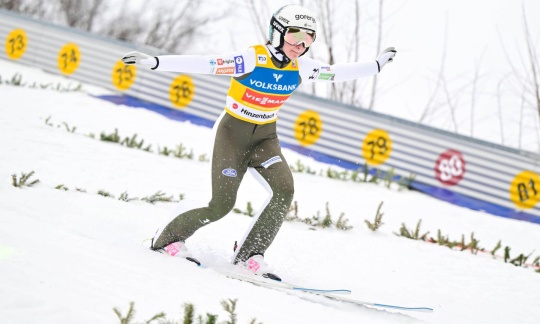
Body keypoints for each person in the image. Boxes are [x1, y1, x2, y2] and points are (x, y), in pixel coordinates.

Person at [122, 4, 396, 279]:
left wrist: (376, 66)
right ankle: (167, 239)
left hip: (265, 137)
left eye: (309, 38)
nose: (300, 44)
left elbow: (336, 73)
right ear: (277, 33)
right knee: (220, 205)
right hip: (233, 135)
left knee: (284, 190)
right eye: (294, 35)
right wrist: (155, 62)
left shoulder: (301, 67)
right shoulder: (252, 59)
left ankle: (249, 254)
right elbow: (205, 63)